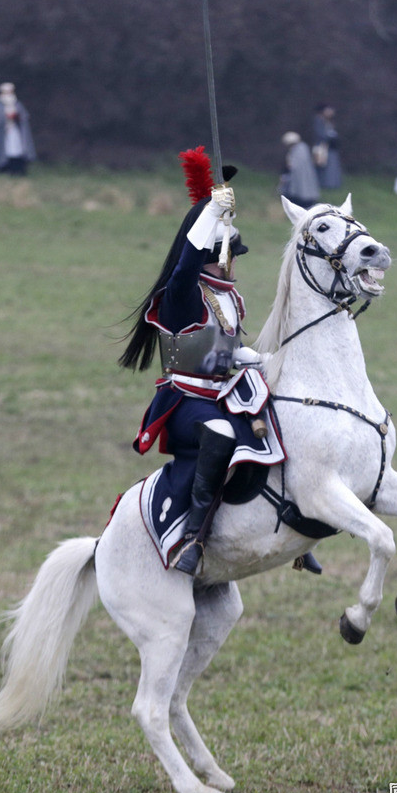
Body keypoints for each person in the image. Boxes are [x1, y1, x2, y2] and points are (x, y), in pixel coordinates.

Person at [119, 146, 322, 577]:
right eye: (232, 253)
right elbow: (185, 264)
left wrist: (270, 360)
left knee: (283, 420)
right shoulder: (183, 295)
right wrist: (210, 211)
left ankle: (298, 527)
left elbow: (227, 351)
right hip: (185, 403)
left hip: (222, 392)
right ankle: (193, 536)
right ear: (217, 252)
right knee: (221, 433)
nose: (236, 262)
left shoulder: (229, 299)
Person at [0, 82, 36, 176]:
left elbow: (23, 117)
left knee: (17, 149)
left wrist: (16, 117)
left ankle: (18, 169)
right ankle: (4, 168)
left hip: (15, 132)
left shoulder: (17, 104)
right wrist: (5, 119)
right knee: (5, 150)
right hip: (3, 133)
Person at [278, 131, 320, 209]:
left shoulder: (298, 149)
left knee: (300, 191)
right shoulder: (303, 148)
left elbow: (292, 165)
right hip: (302, 176)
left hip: (299, 177)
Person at [312, 103, 343, 189]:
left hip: (330, 147)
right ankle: (325, 184)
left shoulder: (327, 121)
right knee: (323, 165)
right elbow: (321, 134)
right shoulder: (318, 120)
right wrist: (330, 136)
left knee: (331, 166)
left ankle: (332, 184)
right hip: (323, 147)